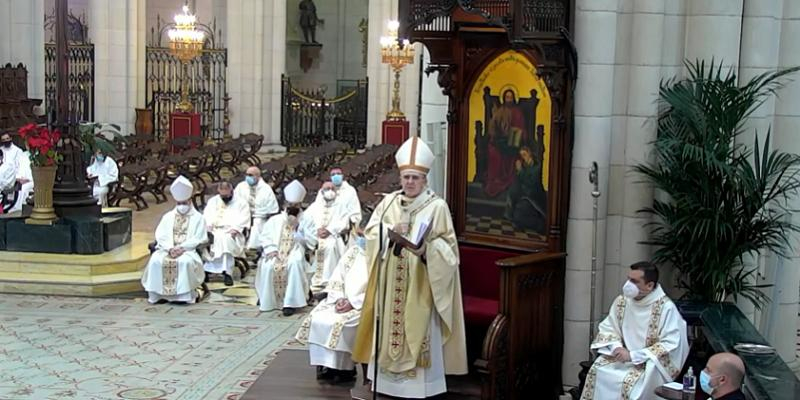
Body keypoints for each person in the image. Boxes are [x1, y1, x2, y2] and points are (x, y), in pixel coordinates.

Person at [352, 136, 468, 398]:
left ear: (425, 180)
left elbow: (450, 251)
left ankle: (419, 387)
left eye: (415, 178)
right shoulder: (389, 203)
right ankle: (388, 384)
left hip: (421, 284)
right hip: (390, 283)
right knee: (389, 326)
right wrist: (388, 231)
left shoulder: (437, 207)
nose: (410, 182)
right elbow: (371, 234)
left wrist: (427, 249)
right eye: (406, 177)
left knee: (418, 328)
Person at [580, 262, 689, 400]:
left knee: (629, 385)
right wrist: (616, 347)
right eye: (628, 279)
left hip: (647, 363)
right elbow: (609, 327)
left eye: (634, 281)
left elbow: (671, 343)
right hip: (620, 358)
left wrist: (633, 356)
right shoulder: (622, 301)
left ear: (649, 285)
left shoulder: (666, 308)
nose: (628, 284)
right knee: (598, 371)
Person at [295, 230, 369, 382]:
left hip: (362, 305)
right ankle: (325, 365)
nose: (362, 239)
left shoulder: (380, 257)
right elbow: (338, 276)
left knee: (341, 324)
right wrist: (339, 297)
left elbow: (377, 290)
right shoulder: (353, 252)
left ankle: (344, 369)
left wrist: (353, 303)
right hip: (340, 300)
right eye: (361, 235)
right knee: (318, 318)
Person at [141, 176, 208, 304]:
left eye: (184, 203)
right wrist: (170, 248)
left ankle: (184, 296)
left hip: (187, 251)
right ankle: (157, 295)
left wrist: (181, 248)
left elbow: (199, 237)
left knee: (185, 262)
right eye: (179, 203)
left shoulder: (198, 218)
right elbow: (161, 235)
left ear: (190, 201)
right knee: (155, 261)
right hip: (168, 250)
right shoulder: (168, 217)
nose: (182, 206)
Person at [255, 180, 317, 316]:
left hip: (297, 250)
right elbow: (265, 237)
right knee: (269, 265)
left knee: (294, 263)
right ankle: (268, 300)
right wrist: (271, 249)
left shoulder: (307, 219)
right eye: (290, 204)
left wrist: (297, 228)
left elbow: (311, 242)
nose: (293, 207)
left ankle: (290, 303)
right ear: (285, 204)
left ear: (300, 204)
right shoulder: (275, 220)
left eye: (296, 205)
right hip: (276, 250)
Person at [202, 181, 250, 286]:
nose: (224, 198)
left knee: (225, 241)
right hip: (215, 230)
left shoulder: (241, 202)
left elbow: (244, 218)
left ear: (231, 191)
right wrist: (208, 225)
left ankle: (227, 272)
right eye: (222, 195)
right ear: (218, 191)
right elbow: (206, 215)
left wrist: (236, 229)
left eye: (226, 195)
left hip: (232, 232)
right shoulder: (213, 201)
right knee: (209, 240)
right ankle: (208, 269)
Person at [307, 181, 349, 296]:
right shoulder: (315, 206)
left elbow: (344, 222)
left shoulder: (341, 205)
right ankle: (315, 281)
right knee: (315, 246)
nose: (330, 191)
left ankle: (327, 281)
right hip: (315, 236)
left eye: (332, 189)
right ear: (321, 191)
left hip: (333, 236)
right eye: (327, 189)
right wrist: (317, 231)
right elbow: (306, 221)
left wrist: (330, 230)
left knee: (330, 247)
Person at [234, 166, 279, 252]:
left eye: (250, 175)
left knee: (257, 225)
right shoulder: (241, 186)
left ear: (257, 176)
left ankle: (253, 249)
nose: (248, 177)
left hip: (259, 216)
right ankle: (238, 248)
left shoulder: (266, 189)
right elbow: (235, 201)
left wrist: (258, 213)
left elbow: (272, 208)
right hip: (243, 215)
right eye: (247, 174)